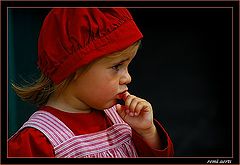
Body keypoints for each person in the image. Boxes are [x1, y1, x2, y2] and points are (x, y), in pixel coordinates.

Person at [8, 8, 174, 158]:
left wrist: (148, 133)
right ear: (74, 68)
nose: (128, 78)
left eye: (127, 66)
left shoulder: (124, 120)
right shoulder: (38, 142)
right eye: (117, 66)